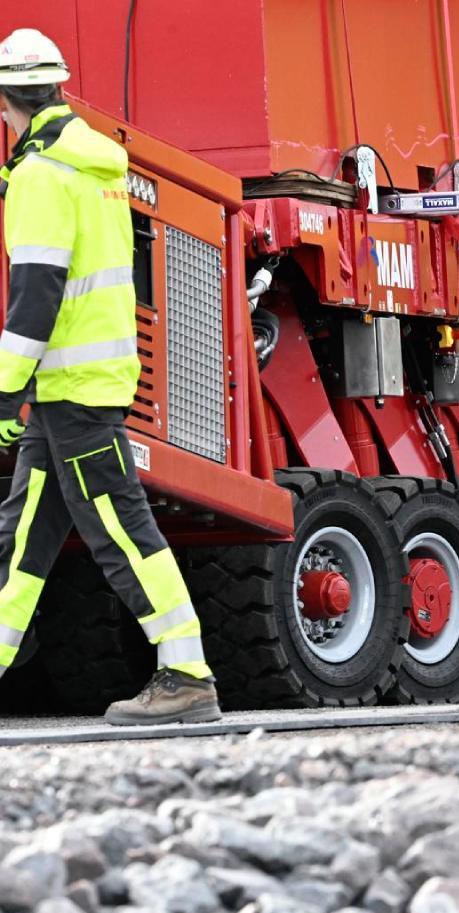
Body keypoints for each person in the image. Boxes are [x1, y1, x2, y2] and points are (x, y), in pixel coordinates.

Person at [0, 28, 219, 724]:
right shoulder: (95, 167)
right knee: (25, 533)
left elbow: (36, 292)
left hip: (75, 393)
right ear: (57, 89)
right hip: (79, 385)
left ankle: (187, 673)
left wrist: (6, 387)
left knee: (121, 532)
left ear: (7, 102)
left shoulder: (40, 174)